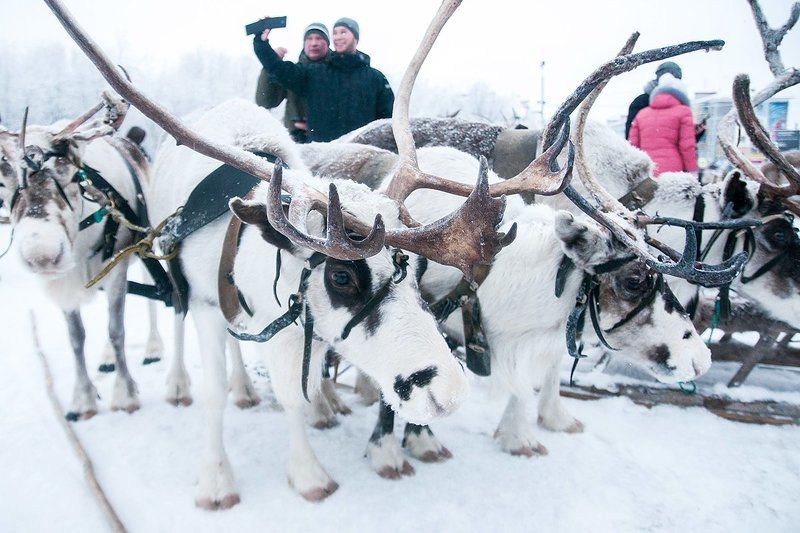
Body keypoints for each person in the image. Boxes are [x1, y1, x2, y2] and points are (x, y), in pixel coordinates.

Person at [253, 17, 394, 142]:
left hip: (362, 156)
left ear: (356, 37)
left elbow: (388, 122)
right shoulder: (315, 73)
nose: (338, 37)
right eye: (335, 33)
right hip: (321, 157)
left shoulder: (376, 79)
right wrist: (261, 44)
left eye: (344, 32)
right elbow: (279, 69)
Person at [256, 22, 331, 143]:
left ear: (327, 43)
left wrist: (317, 127)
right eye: (309, 38)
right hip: (294, 139)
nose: (314, 43)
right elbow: (266, 101)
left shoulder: (338, 73)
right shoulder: (293, 73)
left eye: (319, 38)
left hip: (329, 140)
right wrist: (270, 68)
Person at [628, 73, 698, 176]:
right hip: (673, 172)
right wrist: (692, 171)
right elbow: (687, 146)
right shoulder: (684, 111)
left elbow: (633, 147)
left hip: (646, 171)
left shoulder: (642, 114)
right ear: (682, 96)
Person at [625, 61, 682, 139]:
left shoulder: (680, 103)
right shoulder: (642, 101)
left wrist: (696, 133)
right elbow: (631, 136)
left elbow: (683, 139)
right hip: (646, 150)